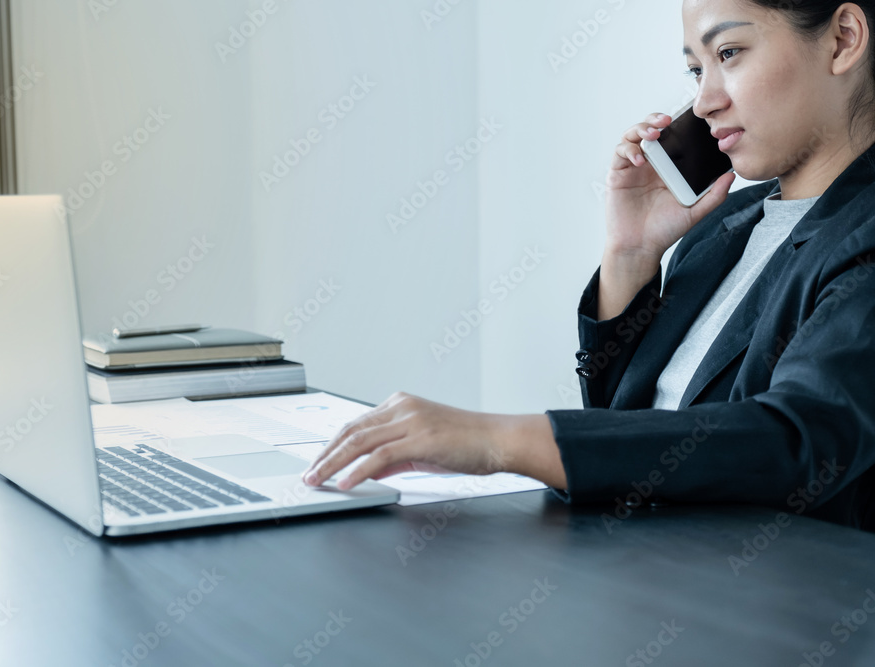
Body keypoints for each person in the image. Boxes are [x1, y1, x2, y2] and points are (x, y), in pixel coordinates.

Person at [302, 0, 875, 531]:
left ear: (843, 39)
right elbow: (623, 422)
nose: (705, 102)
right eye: (696, 70)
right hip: (644, 563)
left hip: (778, 606)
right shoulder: (729, 223)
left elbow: (795, 441)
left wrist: (499, 438)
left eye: (728, 54)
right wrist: (630, 253)